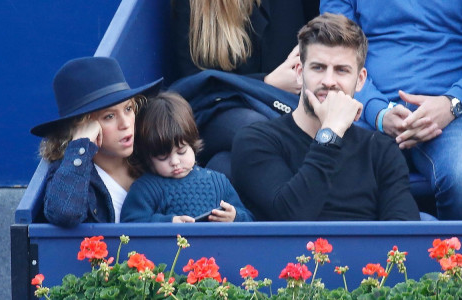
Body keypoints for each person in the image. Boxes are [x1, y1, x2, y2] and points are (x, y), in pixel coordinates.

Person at [231, 13, 421, 221]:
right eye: (318, 68)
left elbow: (402, 235)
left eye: (341, 70)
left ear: (360, 80)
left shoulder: (380, 150)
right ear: (298, 72)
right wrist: (331, 133)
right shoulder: (256, 140)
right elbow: (291, 216)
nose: (329, 81)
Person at [320, 1, 462, 220]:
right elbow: (334, 48)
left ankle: (450, 253)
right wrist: (378, 112)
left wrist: (452, 103)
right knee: (333, 173)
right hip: (364, 107)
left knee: (460, 176)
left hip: (451, 113)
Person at [170, 0, 319, 169]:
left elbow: (325, 34)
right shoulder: (193, 6)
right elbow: (197, 85)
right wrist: (266, 83)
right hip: (222, 110)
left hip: (288, 103)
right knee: (255, 129)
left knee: (223, 165)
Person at [30, 56, 162, 227]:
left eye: (128, 109)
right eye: (109, 116)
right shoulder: (72, 171)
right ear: (82, 126)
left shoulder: (151, 157)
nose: (126, 123)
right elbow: (64, 214)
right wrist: (81, 145)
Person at [120, 92, 253, 223]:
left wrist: (235, 217)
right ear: (148, 157)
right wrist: (167, 223)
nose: (175, 162)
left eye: (182, 152)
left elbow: (249, 222)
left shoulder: (219, 182)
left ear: (193, 144)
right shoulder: (145, 189)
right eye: (163, 157)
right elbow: (131, 224)